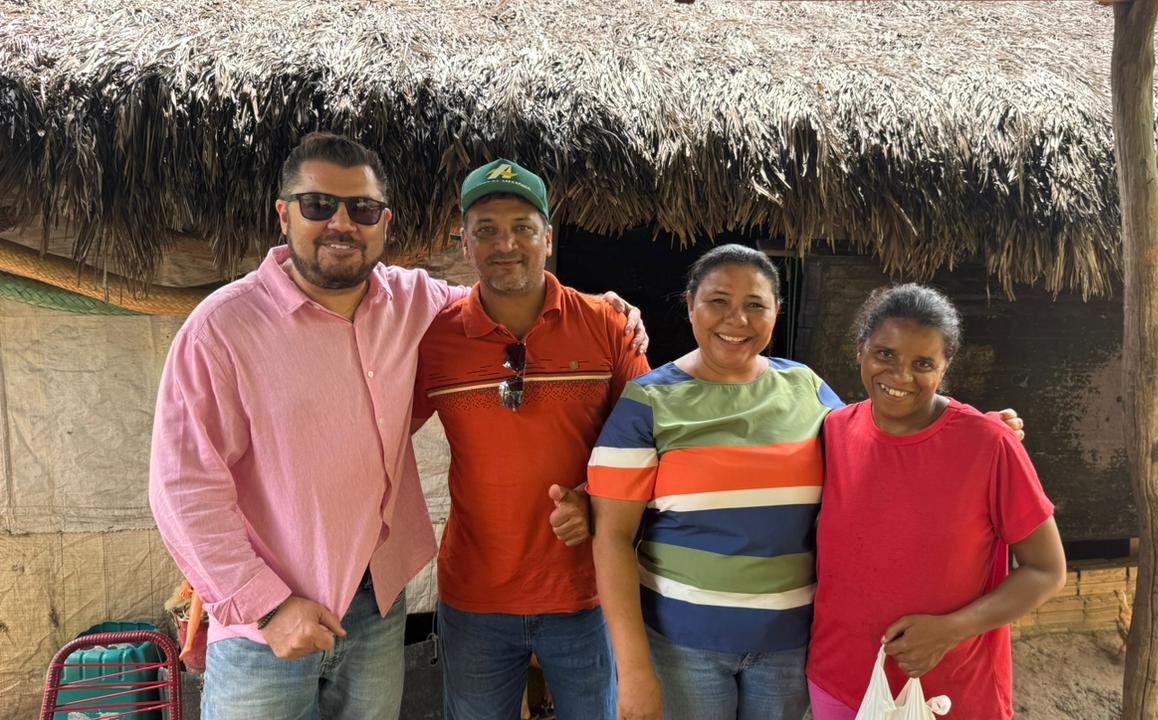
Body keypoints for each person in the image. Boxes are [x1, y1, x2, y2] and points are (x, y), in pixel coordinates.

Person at [149, 135, 642, 719]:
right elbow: (182, 488)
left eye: (361, 209)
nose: (341, 223)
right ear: (283, 214)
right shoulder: (222, 329)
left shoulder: (415, 303)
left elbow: (507, 297)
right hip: (272, 620)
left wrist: (605, 310)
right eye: (318, 205)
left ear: (384, 222)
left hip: (378, 603)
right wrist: (265, 606)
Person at [411, 158, 651, 720]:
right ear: (464, 242)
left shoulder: (607, 326)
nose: (506, 244)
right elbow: (376, 433)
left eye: (522, 227)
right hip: (475, 596)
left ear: (548, 237)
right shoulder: (435, 339)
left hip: (586, 593)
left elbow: (649, 444)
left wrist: (596, 502)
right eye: (487, 230)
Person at [589, 244, 842, 720]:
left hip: (791, 646)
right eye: (718, 301)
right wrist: (635, 670)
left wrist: (962, 436)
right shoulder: (648, 402)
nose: (736, 319)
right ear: (690, 305)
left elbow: (874, 461)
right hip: (682, 649)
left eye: (755, 305)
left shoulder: (807, 388)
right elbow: (612, 538)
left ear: (777, 312)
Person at [806, 284, 1066, 720]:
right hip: (839, 680)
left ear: (945, 367)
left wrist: (951, 630)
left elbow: (1047, 570)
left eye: (923, 364)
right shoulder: (833, 431)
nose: (900, 376)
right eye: (884, 354)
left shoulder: (988, 445)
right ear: (860, 350)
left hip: (950, 691)